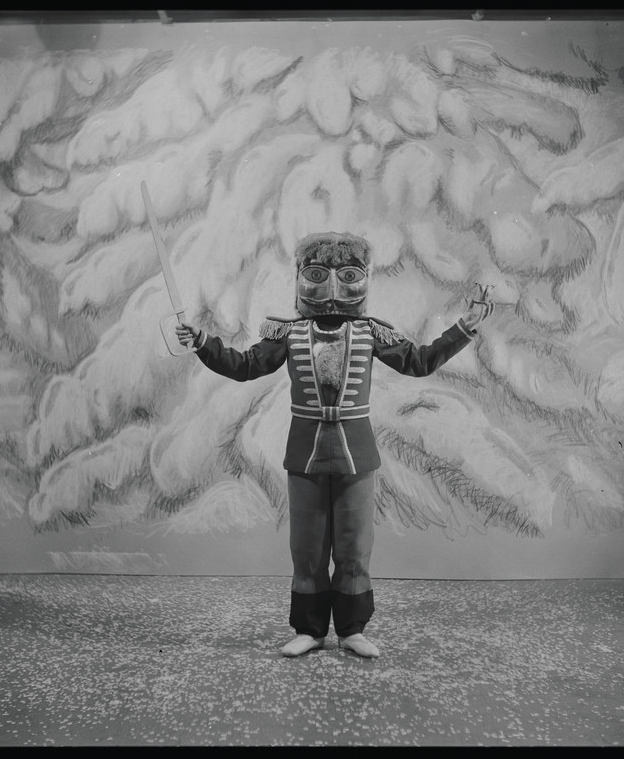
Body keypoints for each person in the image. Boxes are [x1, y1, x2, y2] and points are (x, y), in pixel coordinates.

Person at [174, 231, 494, 658]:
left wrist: (464, 327)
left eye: (346, 274)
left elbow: (419, 362)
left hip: (355, 453)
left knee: (354, 544)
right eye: (318, 273)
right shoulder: (287, 333)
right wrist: (201, 342)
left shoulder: (371, 332)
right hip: (304, 452)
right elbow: (245, 366)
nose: (332, 285)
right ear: (300, 276)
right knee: (306, 547)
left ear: (363, 277)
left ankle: (351, 629)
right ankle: (308, 629)